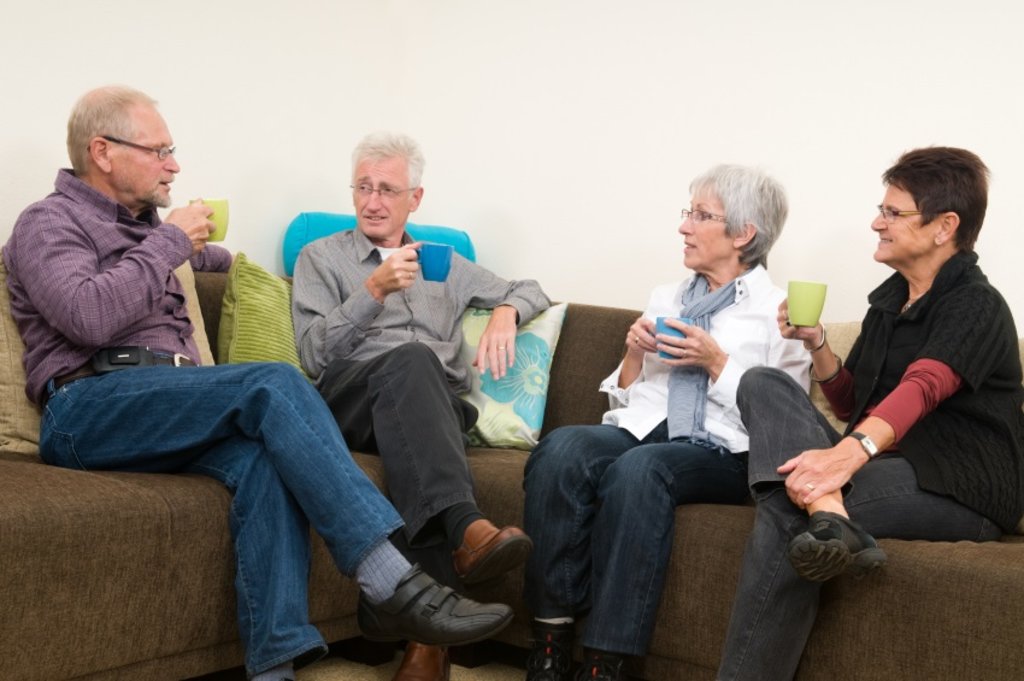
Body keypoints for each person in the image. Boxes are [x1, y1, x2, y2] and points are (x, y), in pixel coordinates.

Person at [2, 86, 514, 681]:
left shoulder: (143, 230)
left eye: (173, 150)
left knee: (263, 461)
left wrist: (207, 254)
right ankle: (391, 579)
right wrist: (171, 241)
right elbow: (86, 315)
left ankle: (274, 669)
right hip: (86, 408)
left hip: (167, 403)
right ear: (103, 152)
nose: (174, 164)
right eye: (160, 150)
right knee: (271, 382)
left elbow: (213, 265)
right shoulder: (47, 222)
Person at [716, 147, 1024, 680]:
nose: (876, 223)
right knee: (760, 381)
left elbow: (925, 387)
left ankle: (827, 516)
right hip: (889, 468)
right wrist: (816, 346)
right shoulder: (887, 303)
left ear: (943, 226)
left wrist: (846, 455)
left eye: (893, 212)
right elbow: (851, 404)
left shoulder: (977, 304)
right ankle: (832, 515)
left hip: (961, 485)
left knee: (790, 510)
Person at [520, 165, 811, 681]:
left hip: (725, 448)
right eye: (688, 212)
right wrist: (633, 352)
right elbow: (630, 392)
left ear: (744, 233)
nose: (684, 226)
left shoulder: (778, 312)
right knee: (562, 449)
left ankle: (608, 661)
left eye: (702, 215)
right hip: (646, 426)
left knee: (640, 470)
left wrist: (717, 362)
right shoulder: (668, 297)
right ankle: (550, 635)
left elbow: (787, 415)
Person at [291, 131, 551, 680]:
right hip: (350, 400)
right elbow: (313, 355)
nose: (372, 201)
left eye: (387, 189)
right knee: (411, 359)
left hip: (429, 409)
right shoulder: (322, 258)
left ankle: (425, 638)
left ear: (417, 198)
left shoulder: (446, 263)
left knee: (423, 389)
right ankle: (465, 527)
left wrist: (506, 310)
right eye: (363, 187)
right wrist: (373, 291)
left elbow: (530, 288)